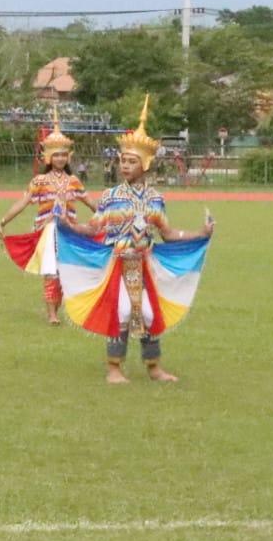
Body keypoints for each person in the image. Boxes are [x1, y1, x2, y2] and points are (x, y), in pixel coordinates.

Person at [63, 97, 214, 383]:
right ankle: (114, 368)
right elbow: (93, 228)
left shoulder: (156, 199)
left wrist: (200, 233)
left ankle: (154, 367)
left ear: (145, 164)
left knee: (148, 314)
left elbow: (167, 234)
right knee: (121, 312)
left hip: (145, 264)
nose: (125, 165)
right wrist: (69, 226)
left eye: (132, 161)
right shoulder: (110, 197)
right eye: (123, 160)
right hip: (118, 264)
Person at [0, 106, 96, 324]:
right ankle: (52, 315)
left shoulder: (73, 181)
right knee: (51, 271)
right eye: (56, 155)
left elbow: (90, 203)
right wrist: (4, 221)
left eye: (63, 155)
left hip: (69, 232)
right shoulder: (40, 181)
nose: (60, 158)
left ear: (68, 157)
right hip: (48, 232)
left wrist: (110, 217)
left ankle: (56, 309)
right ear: (48, 157)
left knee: (64, 273)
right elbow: (23, 202)